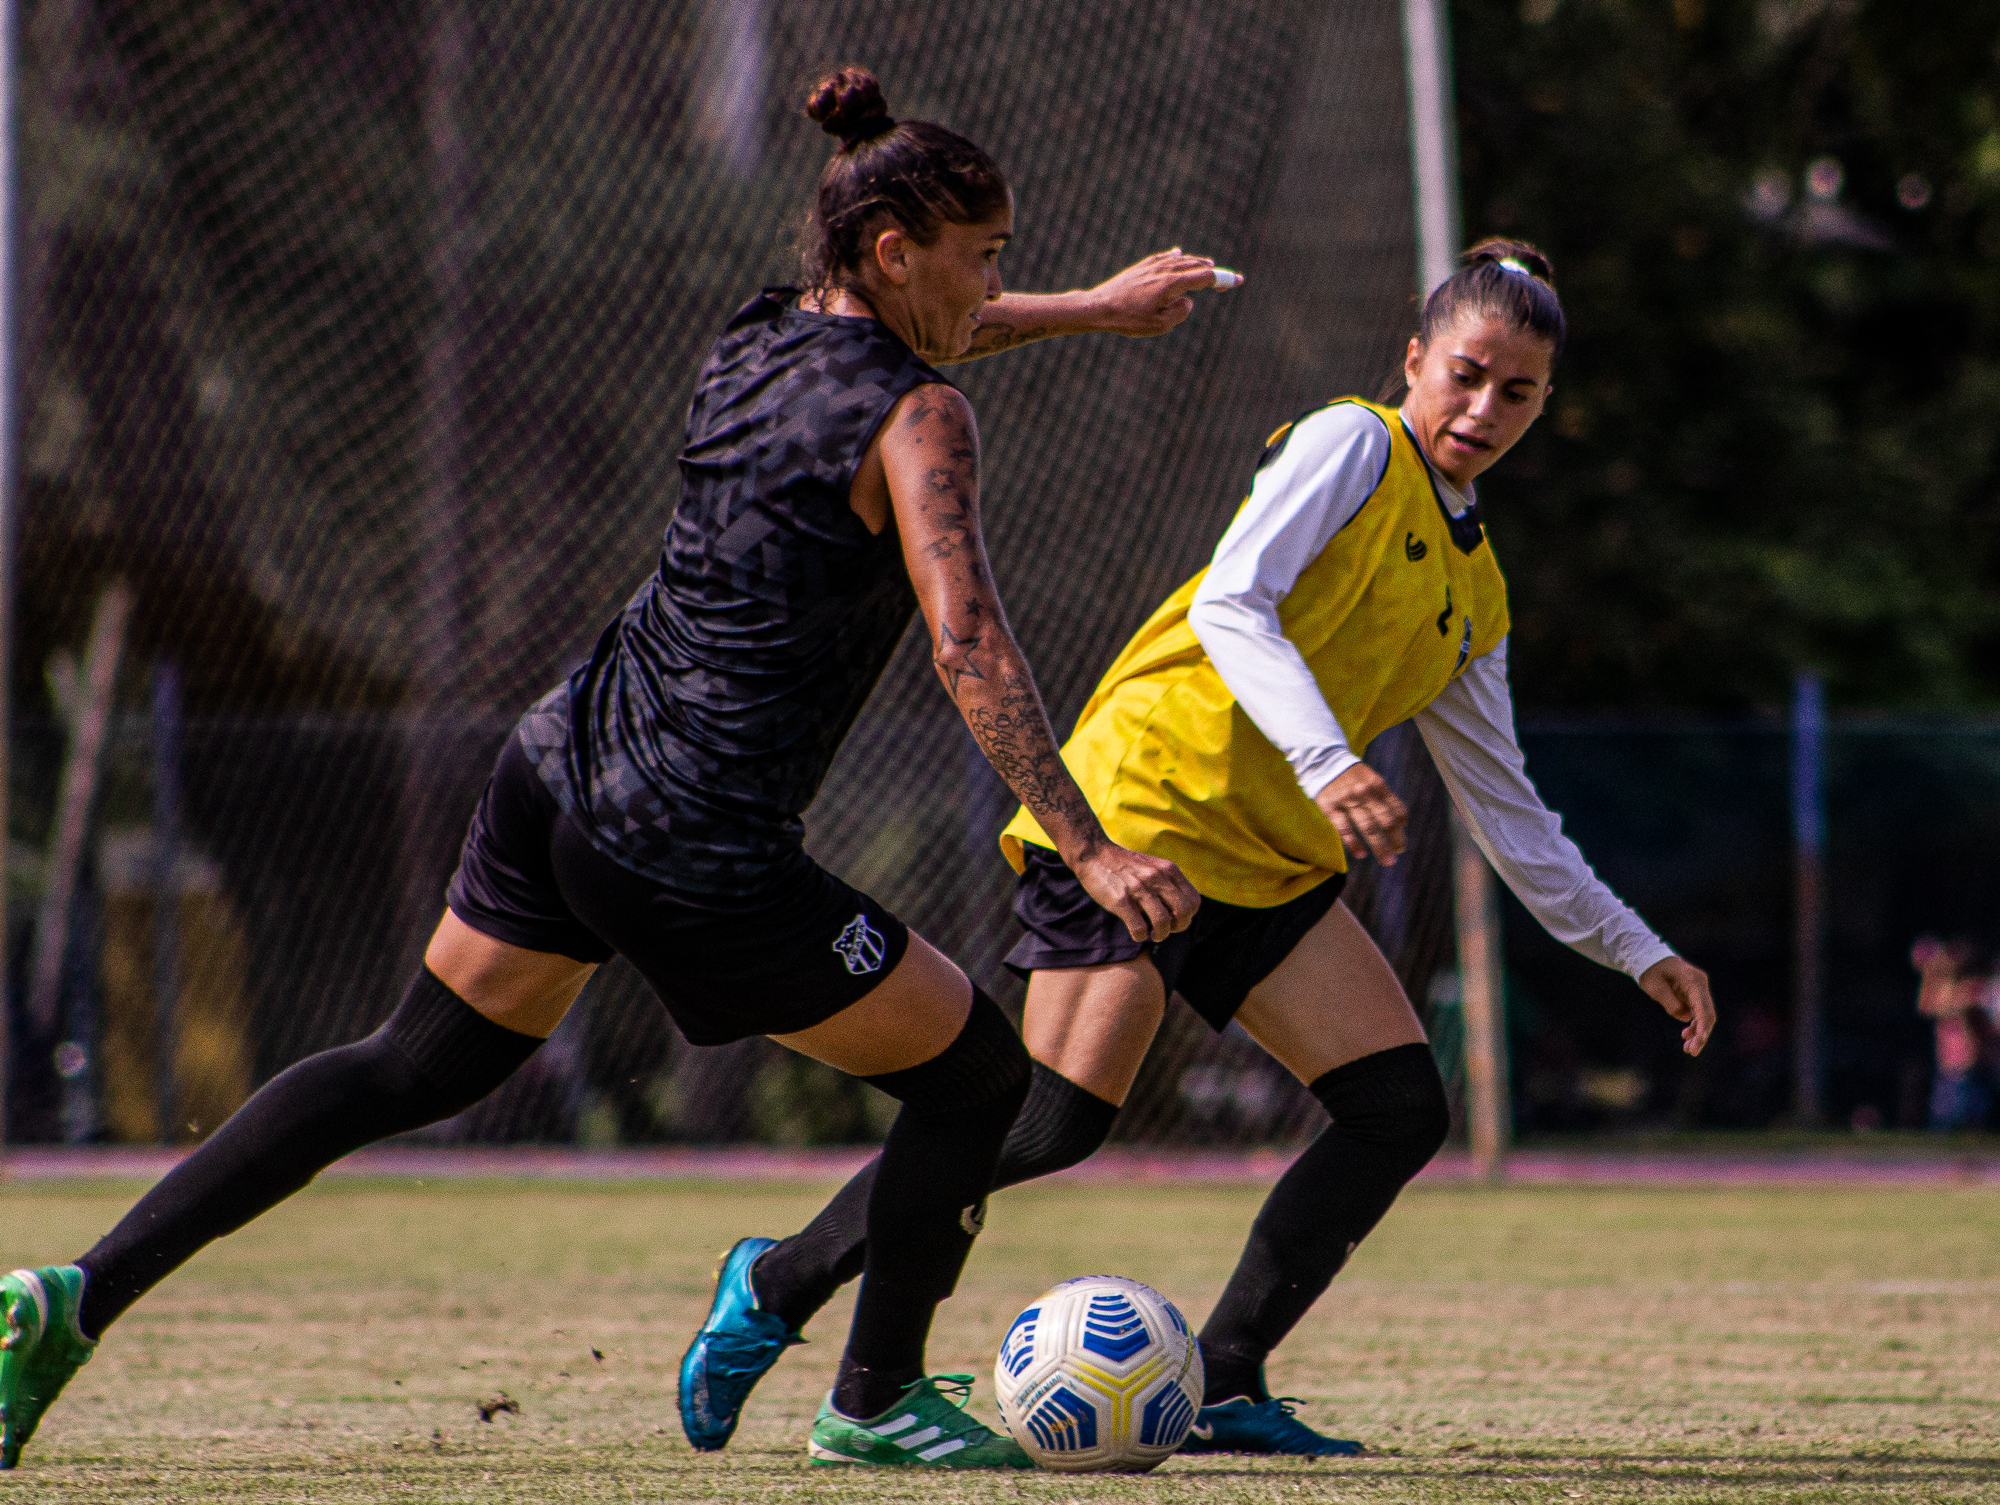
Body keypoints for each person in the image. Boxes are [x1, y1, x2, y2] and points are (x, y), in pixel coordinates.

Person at [0, 67, 1216, 1472]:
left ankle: (70, 1300)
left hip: (562, 765)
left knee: (407, 1061)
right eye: (987, 253)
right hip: (695, 844)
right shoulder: (927, 419)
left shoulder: (757, 339)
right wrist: (1091, 845)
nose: (997, 279)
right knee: (976, 1081)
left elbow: (922, 340)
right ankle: (871, 1400)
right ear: (896, 251)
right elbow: (972, 644)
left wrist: (1090, 309)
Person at [684, 238, 1718, 1458]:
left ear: (1545, 404)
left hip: (1266, 862)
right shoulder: (1352, 443)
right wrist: (1331, 761)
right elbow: (1234, 596)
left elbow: (1507, 808)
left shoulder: (1473, 592)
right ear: (1412, 361)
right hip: (1142, 814)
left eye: (1516, 392)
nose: (1482, 409)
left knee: (1395, 1107)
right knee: (1042, 1121)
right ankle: (779, 1283)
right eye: (1465, 374)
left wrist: (1633, 944)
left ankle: (1223, 1378)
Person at [1912, 936, 1996, 1132]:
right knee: (1945, 1114)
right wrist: (1930, 971)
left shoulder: (1971, 987)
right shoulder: (1945, 989)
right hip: (1952, 1062)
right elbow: (1926, 1007)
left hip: (1971, 1059)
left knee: (1972, 1113)